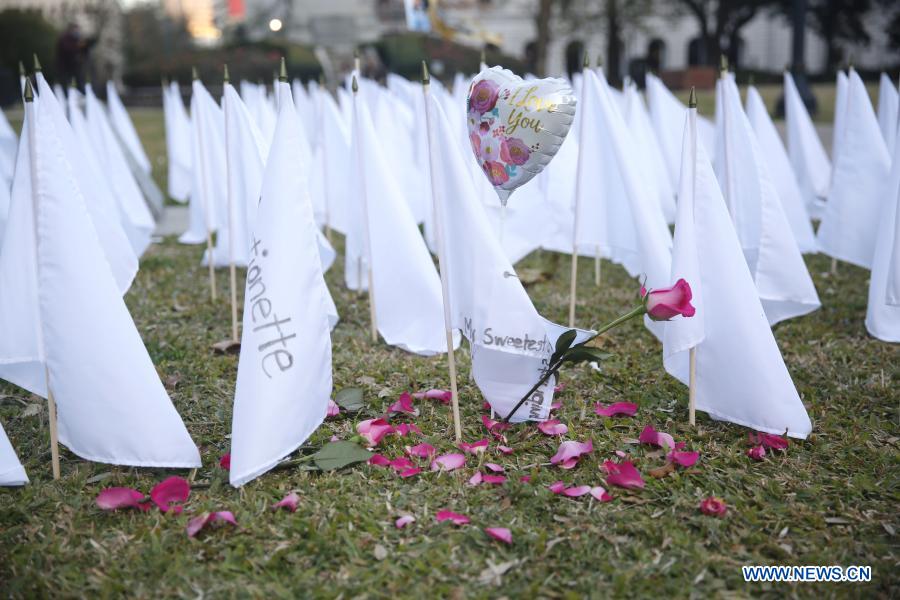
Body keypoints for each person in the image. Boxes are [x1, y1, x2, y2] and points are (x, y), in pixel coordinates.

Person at [56, 23, 97, 89]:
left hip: (75, 68)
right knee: (65, 85)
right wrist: (78, 46)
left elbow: (83, 51)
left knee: (78, 84)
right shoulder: (64, 38)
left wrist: (86, 45)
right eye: (75, 29)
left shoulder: (77, 40)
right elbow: (67, 49)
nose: (77, 32)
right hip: (64, 68)